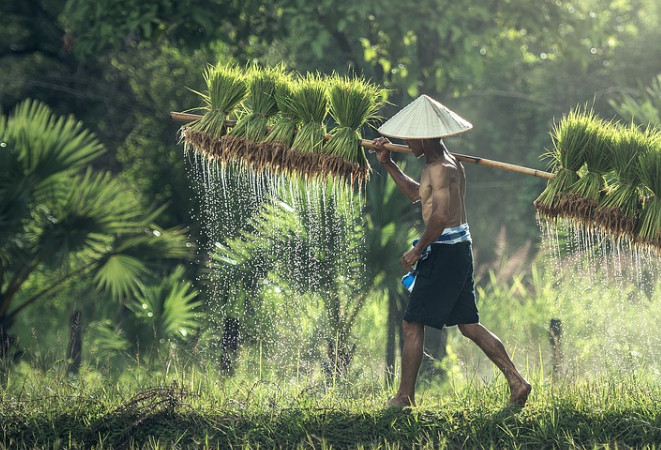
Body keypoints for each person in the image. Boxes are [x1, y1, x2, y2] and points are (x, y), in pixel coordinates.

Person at [370, 94, 531, 408]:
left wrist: (418, 250)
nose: (405, 141)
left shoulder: (443, 168)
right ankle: (517, 381)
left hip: (445, 252)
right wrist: (387, 163)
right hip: (457, 250)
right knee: (468, 325)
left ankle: (404, 397)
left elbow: (441, 217)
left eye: (409, 136)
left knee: (412, 322)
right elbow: (418, 196)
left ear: (424, 137)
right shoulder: (441, 164)